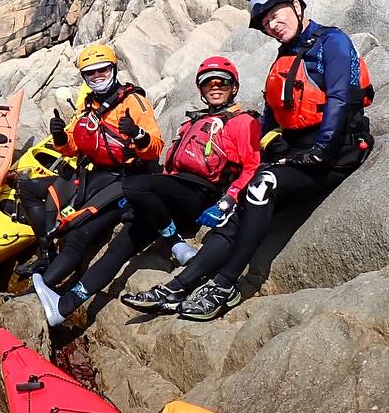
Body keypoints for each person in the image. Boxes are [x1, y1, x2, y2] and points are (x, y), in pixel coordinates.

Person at [124, 0, 373, 320]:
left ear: (297, 6)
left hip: (336, 151)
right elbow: (272, 114)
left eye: (276, 15)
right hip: (300, 153)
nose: (272, 25)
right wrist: (275, 142)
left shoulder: (333, 42)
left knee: (262, 185)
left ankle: (225, 286)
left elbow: (340, 98)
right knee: (236, 215)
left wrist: (321, 149)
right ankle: (179, 286)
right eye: (266, 22)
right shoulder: (284, 56)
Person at [33, 57, 260, 327]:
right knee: (119, 248)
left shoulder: (243, 122)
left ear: (234, 87)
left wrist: (228, 199)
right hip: (169, 198)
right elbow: (168, 171)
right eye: (207, 82)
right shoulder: (191, 123)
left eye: (221, 81)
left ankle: (175, 242)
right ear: (199, 89)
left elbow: (253, 166)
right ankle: (64, 306)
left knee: (134, 184)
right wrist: (145, 203)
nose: (214, 86)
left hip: (201, 192)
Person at [20, 43, 163, 294]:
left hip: (125, 177)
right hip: (93, 172)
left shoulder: (135, 102)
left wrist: (138, 135)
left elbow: (155, 147)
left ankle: (37, 293)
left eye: (103, 71)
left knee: (77, 234)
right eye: (90, 73)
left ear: (114, 69)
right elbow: (75, 147)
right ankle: (46, 254)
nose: (97, 77)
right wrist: (61, 138)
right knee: (29, 189)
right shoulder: (87, 106)